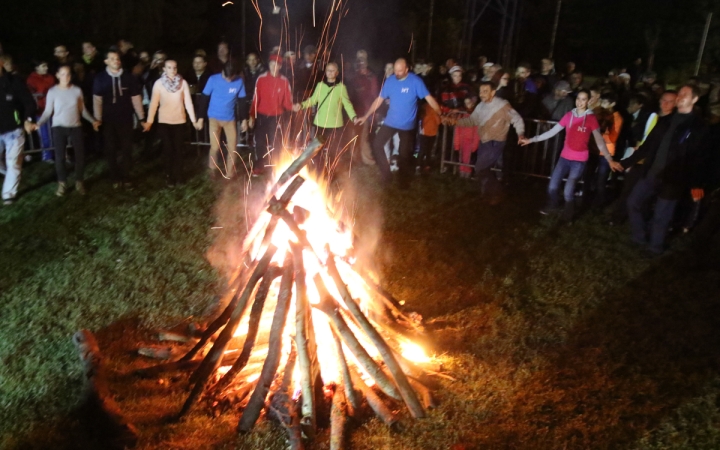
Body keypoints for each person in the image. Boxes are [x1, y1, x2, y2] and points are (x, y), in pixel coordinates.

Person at [619, 85, 708, 256]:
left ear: (694, 99)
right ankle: (640, 237)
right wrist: (625, 163)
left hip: (673, 178)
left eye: (685, 94)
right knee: (633, 202)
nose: (680, 96)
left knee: (662, 215)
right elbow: (647, 147)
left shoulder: (698, 126)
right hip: (652, 172)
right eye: (679, 93)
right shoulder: (666, 121)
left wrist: (697, 183)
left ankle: (655, 247)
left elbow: (699, 157)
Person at [520, 89, 623, 222]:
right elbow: (552, 132)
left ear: (588, 101)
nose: (580, 102)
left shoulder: (591, 119)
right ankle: (553, 205)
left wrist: (609, 160)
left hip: (579, 160)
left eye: (583, 99)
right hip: (564, 158)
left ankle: (568, 214)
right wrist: (531, 139)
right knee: (552, 186)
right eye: (578, 99)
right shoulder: (569, 115)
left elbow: (600, 142)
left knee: (569, 190)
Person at [357, 58, 441, 189]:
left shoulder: (415, 82)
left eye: (400, 71)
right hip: (391, 121)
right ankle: (386, 174)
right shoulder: (390, 81)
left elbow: (429, 98)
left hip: (407, 126)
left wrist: (440, 112)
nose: (396, 73)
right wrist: (366, 115)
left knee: (404, 154)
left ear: (407, 69)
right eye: (395, 70)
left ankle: (403, 182)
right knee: (377, 144)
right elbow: (379, 100)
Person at [448, 81, 525, 204]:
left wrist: (520, 134)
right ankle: (487, 195)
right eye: (480, 91)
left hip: (496, 141)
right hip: (484, 141)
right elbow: (472, 121)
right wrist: (455, 122)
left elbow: (517, 119)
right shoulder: (480, 106)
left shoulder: (502, 105)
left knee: (480, 168)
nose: (482, 94)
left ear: (493, 92)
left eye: (485, 91)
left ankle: (497, 192)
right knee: (484, 169)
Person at [35, 65, 98, 196]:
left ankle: (79, 181)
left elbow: (83, 110)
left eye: (68, 74)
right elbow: (47, 112)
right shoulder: (52, 91)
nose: (66, 77)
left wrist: (93, 121)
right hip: (59, 127)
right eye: (62, 74)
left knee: (80, 156)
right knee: (59, 157)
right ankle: (62, 183)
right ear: (57, 75)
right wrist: (39, 123)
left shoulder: (76, 90)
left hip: (76, 126)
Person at [143, 60, 202, 187]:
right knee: (168, 149)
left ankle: (179, 175)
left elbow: (188, 103)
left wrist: (193, 120)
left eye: (175, 67)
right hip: (164, 122)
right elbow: (153, 104)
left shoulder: (183, 83)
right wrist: (149, 121)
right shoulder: (158, 84)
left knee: (179, 150)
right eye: (169, 67)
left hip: (179, 121)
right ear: (164, 69)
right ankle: (169, 176)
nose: (173, 70)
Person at [93, 48, 146, 189]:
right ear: (106, 61)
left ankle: (126, 176)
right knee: (110, 149)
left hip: (125, 119)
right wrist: (97, 118)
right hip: (108, 120)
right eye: (112, 59)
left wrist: (141, 117)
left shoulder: (129, 77)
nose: (115, 61)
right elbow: (97, 100)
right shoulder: (100, 78)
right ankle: (115, 177)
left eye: (117, 58)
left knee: (127, 148)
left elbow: (136, 98)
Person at [293, 62, 358, 176]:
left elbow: (347, 104)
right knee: (317, 150)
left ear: (337, 73)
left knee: (332, 151)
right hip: (320, 123)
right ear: (325, 72)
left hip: (335, 125)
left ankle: (329, 173)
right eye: (328, 70)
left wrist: (354, 117)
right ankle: (319, 173)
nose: (330, 72)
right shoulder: (320, 85)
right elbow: (312, 100)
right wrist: (301, 105)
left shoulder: (341, 88)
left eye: (333, 70)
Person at [201, 58, 248, 178]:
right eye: (226, 77)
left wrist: (244, 119)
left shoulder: (239, 81)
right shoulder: (213, 79)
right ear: (222, 71)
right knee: (215, 147)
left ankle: (229, 174)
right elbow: (204, 98)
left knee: (232, 147)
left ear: (235, 74)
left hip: (229, 120)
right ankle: (212, 169)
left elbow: (242, 101)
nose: (228, 80)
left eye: (230, 78)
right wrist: (200, 117)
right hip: (214, 118)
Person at [0, 55, 37, 205]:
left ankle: (9, 193)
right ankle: (6, 173)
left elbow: (29, 102)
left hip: (14, 130)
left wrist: (28, 120)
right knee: (9, 165)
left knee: (13, 161)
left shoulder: (14, 81)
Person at [347, 57, 379, 165]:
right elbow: (349, 94)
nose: (361, 65)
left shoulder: (371, 77)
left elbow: (374, 95)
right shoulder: (353, 77)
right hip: (354, 111)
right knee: (353, 135)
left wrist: (372, 111)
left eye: (363, 63)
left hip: (365, 111)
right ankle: (354, 158)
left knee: (364, 136)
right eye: (359, 63)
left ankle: (367, 159)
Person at [26, 59, 56, 160]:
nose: (46, 68)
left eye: (46, 66)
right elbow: (31, 94)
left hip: (53, 109)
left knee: (54, 133)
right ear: (37, 68)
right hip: (41, 110)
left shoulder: (50, 77)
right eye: (43, 66)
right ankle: (47, 156)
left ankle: (57, 153)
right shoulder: (31, 79)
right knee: (44, 134)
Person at [452, 96, 480, 178]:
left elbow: (477, 132)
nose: (467, 105)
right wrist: (456, 145)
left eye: (469, 102)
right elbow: (457, 131)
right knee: (461, 158)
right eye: (466, 103)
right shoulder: (461, 115)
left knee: (468, 159)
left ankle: (467, 173)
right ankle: (461, 173)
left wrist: (474, 146)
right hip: (461, 141)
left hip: (470, 142)